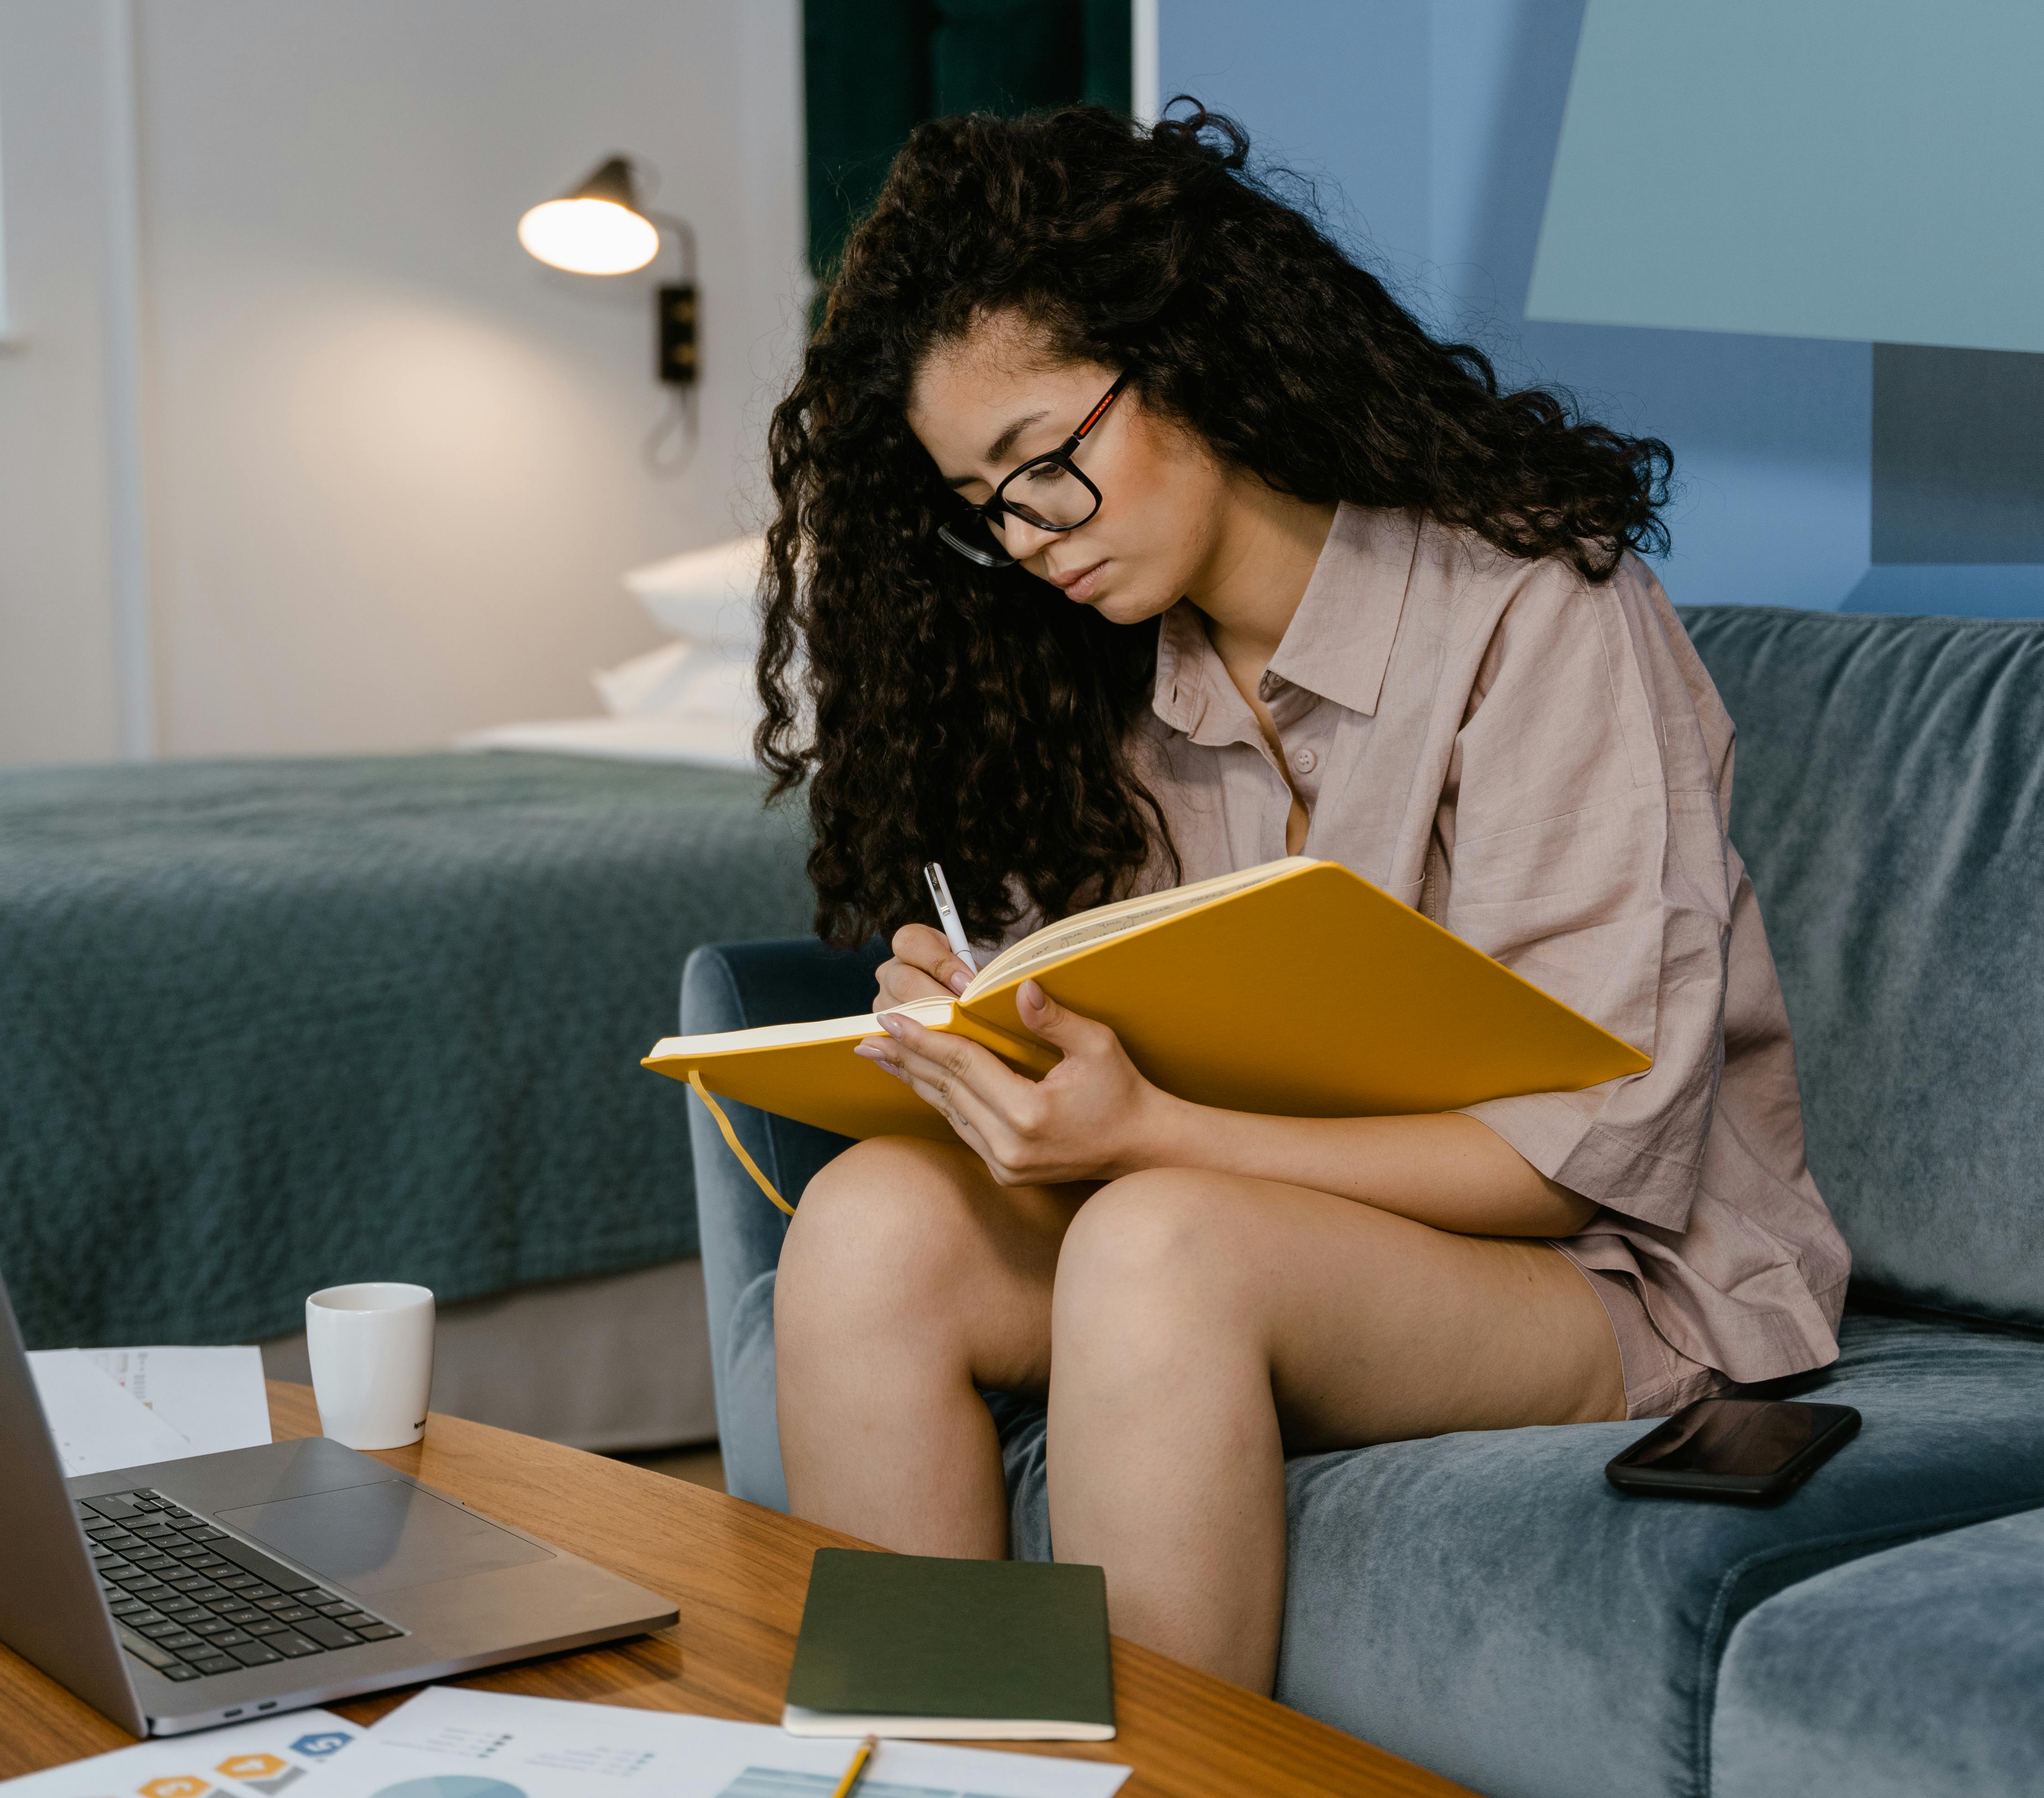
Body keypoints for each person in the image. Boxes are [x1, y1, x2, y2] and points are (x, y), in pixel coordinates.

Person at [749, 103, 1849, 1694]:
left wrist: (1148, 1137)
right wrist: (995, 1034)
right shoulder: (1120, 683)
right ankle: (941, 1762)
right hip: (1271, 1216)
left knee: (1156, 1243)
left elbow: (1589, 1150)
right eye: (983, 505)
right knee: (864, 1226)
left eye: (1044, 461)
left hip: (1612, 1272)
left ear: (1190, 356)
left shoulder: (1537, 607)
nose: (1028, 530)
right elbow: (1168, 1058)